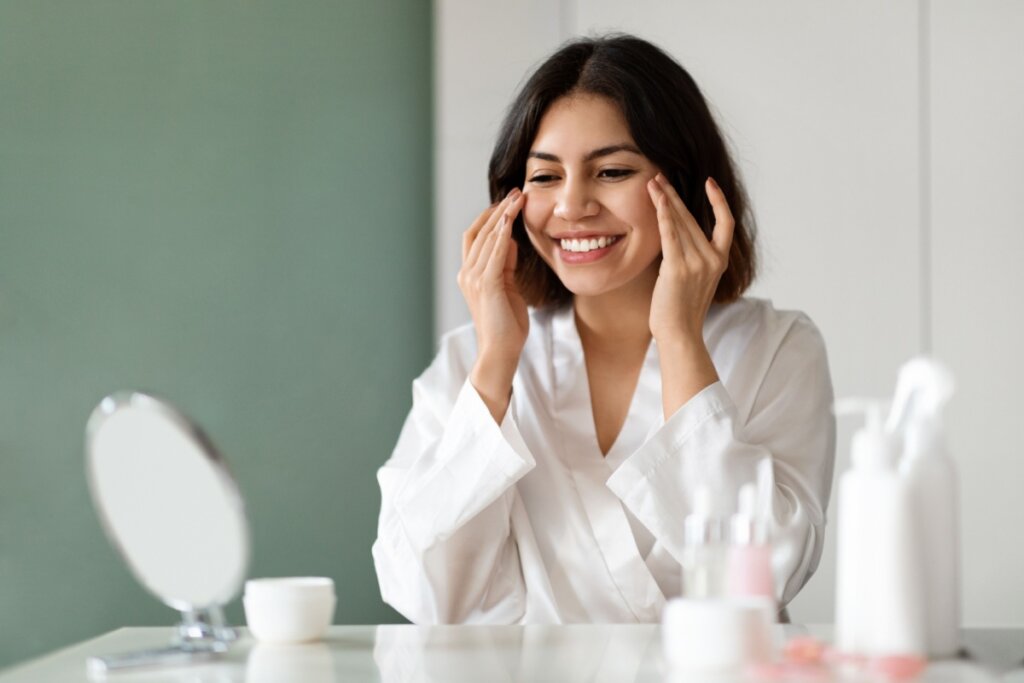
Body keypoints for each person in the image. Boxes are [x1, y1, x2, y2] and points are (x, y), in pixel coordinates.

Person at [372, 34, 835, 624]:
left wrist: (680, 340)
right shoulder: (471, 360)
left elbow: (770, 574)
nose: (571, 206)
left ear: (686, 184)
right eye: (545, 177)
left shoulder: (777, 348)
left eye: (611, 171)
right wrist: (496, 366)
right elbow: (421, 593)